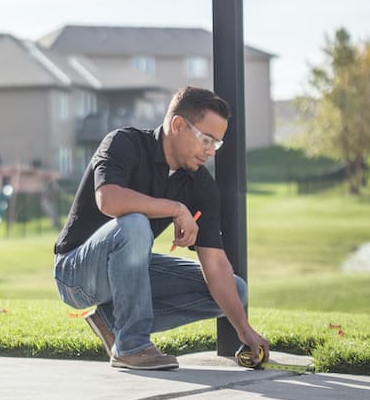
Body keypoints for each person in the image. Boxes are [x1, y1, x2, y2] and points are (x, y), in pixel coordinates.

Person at [53, 86, 269, 370]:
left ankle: (110, 321)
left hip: (129, 269)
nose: (210, 152)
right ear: (178, 125)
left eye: (216, 144)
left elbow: (214, 263)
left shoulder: (199, 183)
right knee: (135, 223)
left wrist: (243, 329)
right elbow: (108, 199)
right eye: (206, 139)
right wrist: (176, 208)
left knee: (235, 291)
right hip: (76, 274)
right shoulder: (123, 143)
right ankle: (132, 347)